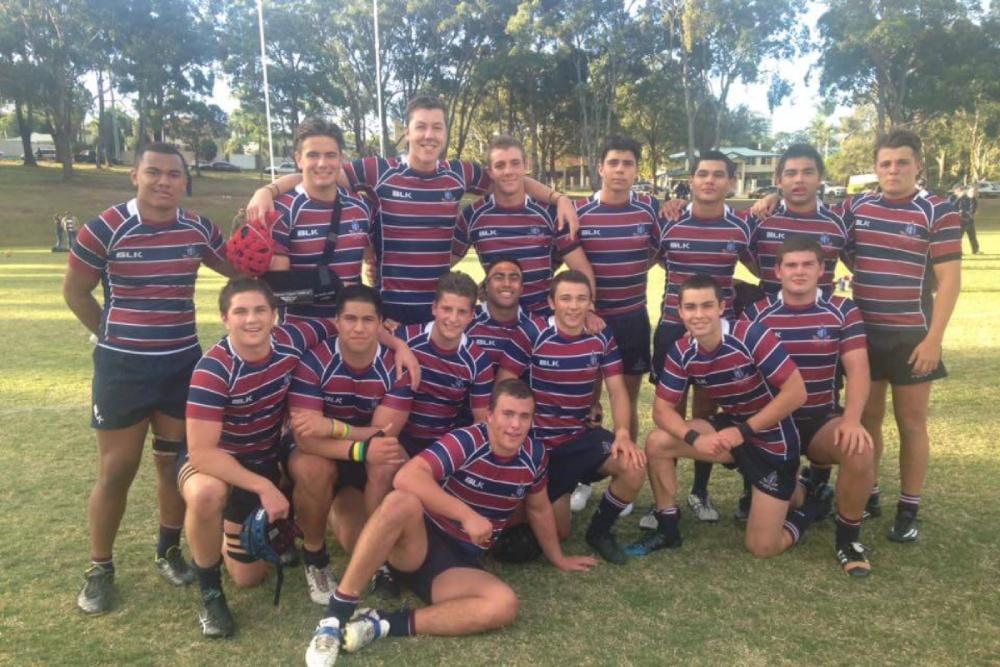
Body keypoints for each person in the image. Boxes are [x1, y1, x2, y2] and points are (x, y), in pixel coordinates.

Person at [303, 379, 597, 667]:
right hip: (417, 542)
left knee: (504, 604)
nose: (515, 425)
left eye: (524, 416)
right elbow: (407, 476)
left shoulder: (535, 456)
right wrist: (466, 515)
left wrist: (558, 557)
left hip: (454, 564)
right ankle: (334, 617)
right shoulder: (467, 439)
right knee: (401, 501)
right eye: (507, 414)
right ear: (490, 415)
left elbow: (539, 509)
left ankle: (381, 624)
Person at [64, 142, 233, 614]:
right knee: (117, 470)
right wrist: (112, 336)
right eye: (154, 172)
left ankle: (168, 549)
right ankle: (100, 567)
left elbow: (237, 267)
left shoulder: (197, 228)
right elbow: (75, 291)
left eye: (174, 175)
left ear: (185, 181)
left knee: (172, 465)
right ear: (134, 175)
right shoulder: (105, 228)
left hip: (182, 366)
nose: (164, 182)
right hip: (124, 370)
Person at [246, 97, 578, 325]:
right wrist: (269, 189)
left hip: (442, 310)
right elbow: (321, 172)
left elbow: (509, 181)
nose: (429, 135)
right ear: (407, 132)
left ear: (446, 133)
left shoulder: (459, 173)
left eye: (437, 127)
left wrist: (558, 197)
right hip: (389, 311)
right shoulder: (379, 170)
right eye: (421, 127)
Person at [181, 278, 334, 637]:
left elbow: (344, 321)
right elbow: (202, 453)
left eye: (260, 310)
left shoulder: (292, 340)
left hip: (262, 458)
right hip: (215, 464)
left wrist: (395, 344)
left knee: (250, 579)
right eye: (241, 311)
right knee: (207, 494)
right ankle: (210, 590)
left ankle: (231, 530)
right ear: (224, 318)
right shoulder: (213, 370)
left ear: (275, 315)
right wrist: (264, 486)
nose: (251, 320)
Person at [627, 275, 816, 559]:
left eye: (707, 306)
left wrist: (743, 432)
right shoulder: (681, 350)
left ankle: (811, 504)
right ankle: (668, 529)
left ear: (721, 307)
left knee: (763, 546)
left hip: (773, 440)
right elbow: (662, 410)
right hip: (733, 431)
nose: (699, 314)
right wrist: (693, 438)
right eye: (690, 307)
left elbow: (796, 393)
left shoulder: (751, 336)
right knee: (658, 442)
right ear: (680, 312)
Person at [846, 130, 962, 540]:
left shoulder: (938, 211)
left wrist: (934, 339)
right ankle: (870, 490)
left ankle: (909, 507)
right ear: (876, 168)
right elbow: (820, 224)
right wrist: (770, 199)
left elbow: (949, 282)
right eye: (885, 163)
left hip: (912, 336)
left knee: (911, 423)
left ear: (918, 166)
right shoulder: (857, 207)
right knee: (868, 418)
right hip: (864, 333)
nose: (893, 170)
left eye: (902, 163)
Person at [741, 236, 876, 576]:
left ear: (821, 269)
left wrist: (852, 420)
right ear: (777, 271)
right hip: (770, 427)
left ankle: (848, 539)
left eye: (807, 265)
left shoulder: (842, 310)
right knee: (771, 526)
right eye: (791, 265)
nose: (799, 272)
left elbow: (859, 370)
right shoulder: (756, 314)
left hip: (818, 421)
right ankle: (809, 501)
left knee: (859, 448)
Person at [496, 270, 646, 564]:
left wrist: (623, 434)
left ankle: (600, 532)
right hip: (540, 444)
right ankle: (535, 500)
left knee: (634, 465)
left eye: (581, 299)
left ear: (591, 303)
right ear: (552, 302)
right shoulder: (533, 332)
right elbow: (505, 383)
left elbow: (617, 390)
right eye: (566, 298)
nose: (574, 306)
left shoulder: (601, 334)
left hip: (579, 437)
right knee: (559, 532)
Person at [285, 285, 413, 604]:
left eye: (368, 320)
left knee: (388, 458)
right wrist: (358, 444)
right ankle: (314, 555)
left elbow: (384, 435)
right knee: (312, 467)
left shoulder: (395, 366)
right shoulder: (315, 360)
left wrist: (332, 426)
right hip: (323, 453)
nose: (359, 328)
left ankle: (379, 559)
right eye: (351, 319)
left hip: (361, 452)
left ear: (381, 323)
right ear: (337, 321)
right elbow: (305, 437)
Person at [650, 150, 754, 523]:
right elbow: (655, 258)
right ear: (691, 180)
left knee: (706, 411)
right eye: (702, 174)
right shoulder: (669, 222)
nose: (710, 180)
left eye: (718, 175)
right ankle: (664, 497)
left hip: (717, 336)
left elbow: (760, 267)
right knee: (671, 415)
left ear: (730, 182)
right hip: (672, 328)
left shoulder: (741, 227)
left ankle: (700, 491)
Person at [573, 135, 662, 441]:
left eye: (628, 164)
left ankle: (626, 466)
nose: (620, 170)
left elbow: (659, 252)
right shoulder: (579, 212)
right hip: (590, 320)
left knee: (627, 401)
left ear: (637, 170)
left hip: (633, 319)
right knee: (587, 400)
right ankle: (585, 476)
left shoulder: (651, 209)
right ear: (600, 168)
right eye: (613, 163)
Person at [452, 135, 594, 317]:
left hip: (542, 322)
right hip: (497, 322)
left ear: (525, 165)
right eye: (500, 165)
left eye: (515, 163)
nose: (508, 171)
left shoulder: (551, 213)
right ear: (490, 172)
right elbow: (444, 262)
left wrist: (590, 310)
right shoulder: (472, 215)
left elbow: (581, 268)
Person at [268, 118, 374, 322]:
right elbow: (279, 291)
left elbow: (375, 264)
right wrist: (334, 288)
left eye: (330, 155)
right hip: (301, 335)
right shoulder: (281, 210)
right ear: (299, 159)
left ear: (341, 158)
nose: (322, 163)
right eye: (313, 155)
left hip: (351, 334)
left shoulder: (362, 208)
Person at [395, 272, 495, 456]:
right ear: (434, 308)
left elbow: (481, 421)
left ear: (472, 315)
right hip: (399, 438)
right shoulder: (406, 338)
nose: (453, 319)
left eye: (462, 312)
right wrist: (395, 343)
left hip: (444, 446)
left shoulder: (478, 362)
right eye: (447, 309)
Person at [466, 257, 532, 370]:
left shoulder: (536, 326)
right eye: (498, 277)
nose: (506, 284)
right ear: (486, 285)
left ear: (522, 288)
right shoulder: (466, 320)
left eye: (514, 278)